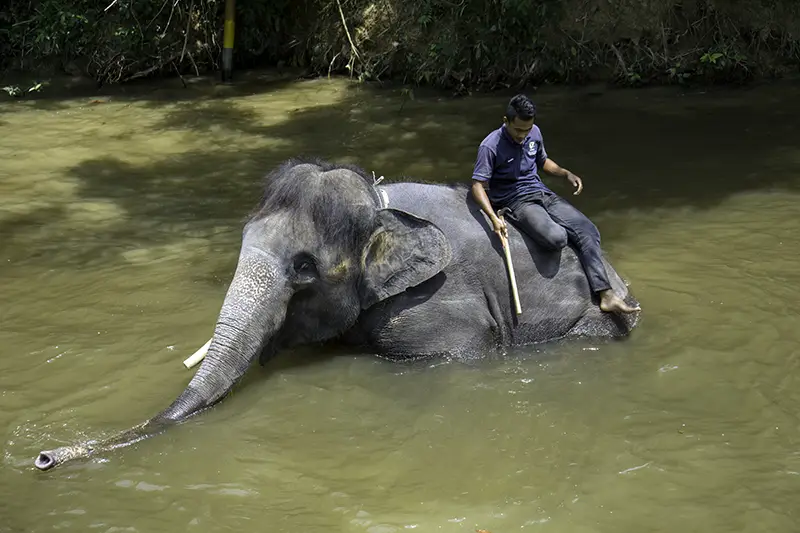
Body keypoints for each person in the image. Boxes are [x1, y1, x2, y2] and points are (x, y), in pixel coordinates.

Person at [470, 94, 639, 314]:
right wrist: (493, 217)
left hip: (541, 192)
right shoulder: (490, 146)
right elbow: (477, 184)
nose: (523, 136)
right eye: (518, 130)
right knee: (557, 238)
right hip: (515, 199)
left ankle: (605, 294)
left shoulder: (534, 132)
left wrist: (564, 173)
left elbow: (542, 161)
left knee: (588, 230)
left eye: (527, 130)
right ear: (506, 121)